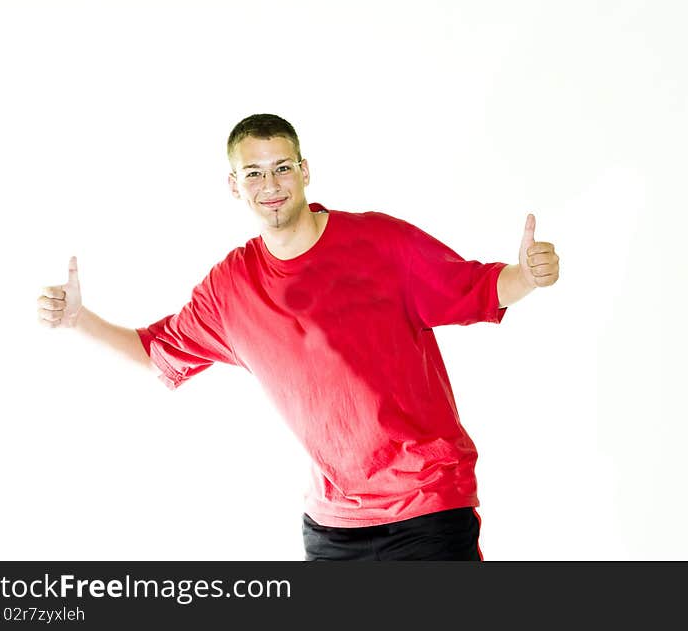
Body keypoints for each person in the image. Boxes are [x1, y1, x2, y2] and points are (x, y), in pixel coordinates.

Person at [37, 114, 560, 560]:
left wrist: (527, 275)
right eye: (254, 172)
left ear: (304, 171)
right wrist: (81, 320)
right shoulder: (231, 287)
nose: (271, 184)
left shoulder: (379, 241)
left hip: (425, 508)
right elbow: (157, 353)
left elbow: (476, 288)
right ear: (234, 185)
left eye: (283, 167)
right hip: (332, 529)